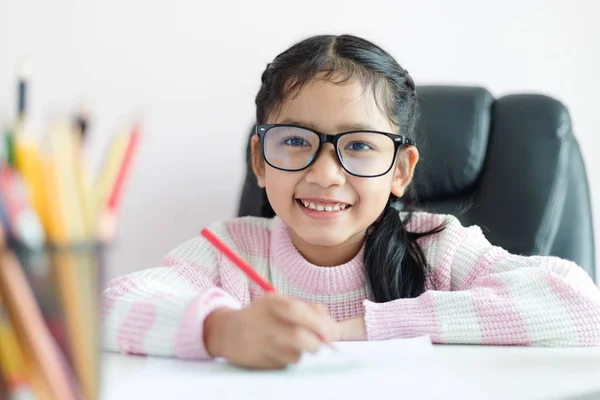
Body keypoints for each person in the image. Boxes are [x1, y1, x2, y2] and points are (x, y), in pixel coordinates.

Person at [103, 34, 600, 370]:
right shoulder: (229, 251)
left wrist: (363, 330)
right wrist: (219, 331)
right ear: (259, 159)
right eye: (295, 141)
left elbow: (581, 307)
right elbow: (107, 309)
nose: (324, 174)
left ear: (401, 170)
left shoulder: (435, 246)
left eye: (359, 145)